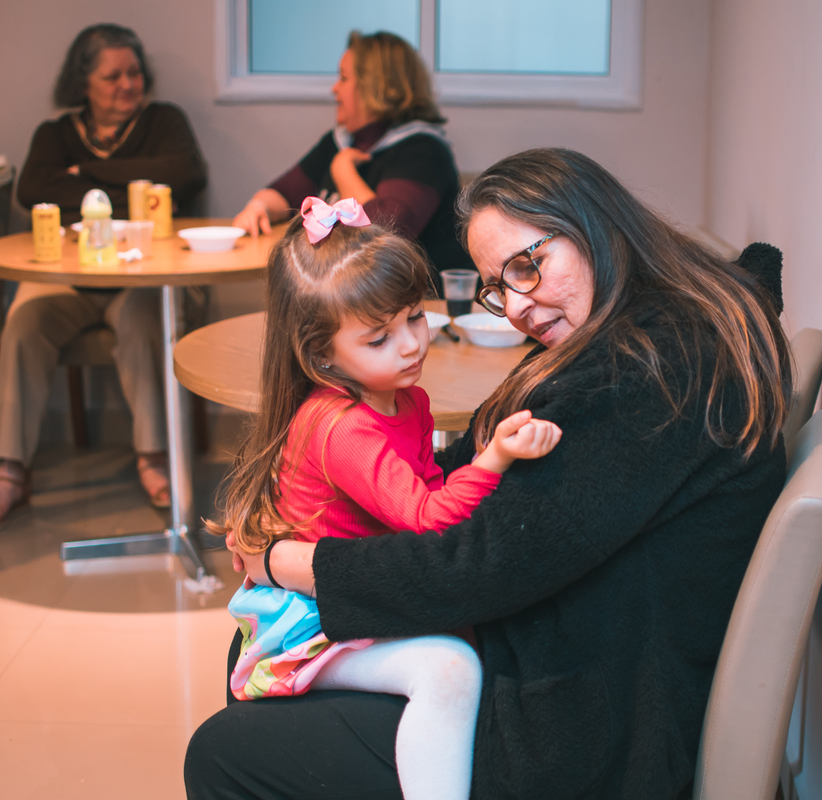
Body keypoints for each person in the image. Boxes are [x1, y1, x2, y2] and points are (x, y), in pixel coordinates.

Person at [186, 148, 793, 800]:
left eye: (528, 266)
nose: (519, 307)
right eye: (500, 287)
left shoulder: (646, 374)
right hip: (581, 651)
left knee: (224, 751)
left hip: (584, 723)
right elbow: (481, 479)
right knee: (259, 667)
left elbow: (477, 568)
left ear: (594, 225)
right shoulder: (645, 332)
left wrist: (292, 564)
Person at [213, 196, 561, 800]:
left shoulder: (407, 400)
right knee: (451, 670)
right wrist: (495, 458)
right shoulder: (343, 427)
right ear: (321, 356)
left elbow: (425, 492)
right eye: (379, 339)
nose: (410, 346)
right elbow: (427, 518)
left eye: (415, 318)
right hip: (313, 623)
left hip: (357, 595)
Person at [0, 23, 207, 531]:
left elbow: (186, 174)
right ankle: (10, 470)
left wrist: (86, 176)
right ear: (83, 83)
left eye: (134, 73)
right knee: (23, 324)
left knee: (144, 319)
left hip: (142, 274)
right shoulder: (55, 135)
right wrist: (135, 188)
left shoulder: (164, 121)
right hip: (69, 275)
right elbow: (34, 189)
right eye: (112, 76)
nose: (128, 84)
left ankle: (152, 457)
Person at [232, 30, 473, 290]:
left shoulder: (424, 151)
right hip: (355, 293)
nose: (334, 88)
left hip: (422, 300)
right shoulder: (341, 140)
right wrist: (259, 206)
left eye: (344, 78)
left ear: (377, 87)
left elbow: (384, 234)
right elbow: (286, 192)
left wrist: (343, 171)